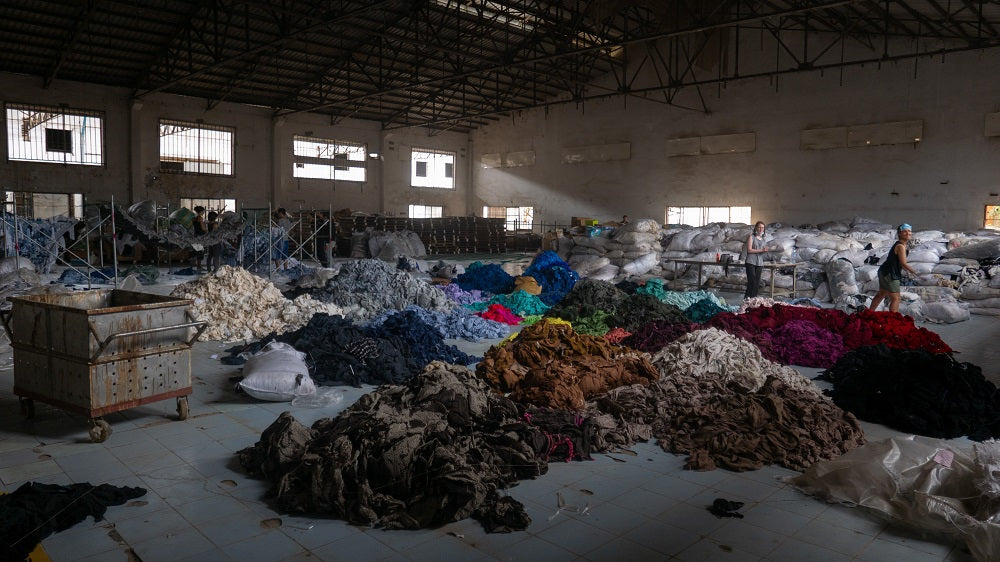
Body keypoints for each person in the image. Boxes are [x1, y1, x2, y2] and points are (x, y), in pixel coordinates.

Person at [870, 223, 918, 312]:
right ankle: (894, 321)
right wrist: (914, 272)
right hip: (890, 274)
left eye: (909, 231)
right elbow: (903, 263)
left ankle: (869, 313)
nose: (908, 233)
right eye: (905, 231)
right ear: (899, 233)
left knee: (881, 294)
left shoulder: (902, 245)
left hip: (884, 271)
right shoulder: (900, 246)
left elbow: (898, 262)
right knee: (896, 298)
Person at [743, 221, 767, 299]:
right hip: (751, 262)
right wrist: (761, 250)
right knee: (752, 282)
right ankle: (746, 301)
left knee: (756, 283)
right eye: (759, 227)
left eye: (762, 228)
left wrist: (765, 250)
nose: (761, 229)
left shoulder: (763, 239)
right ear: (756, 228)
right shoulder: (751, 237)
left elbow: (762, 251)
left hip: (759, 263)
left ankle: (753, 301)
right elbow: (749, 250)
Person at [192, 206, 207, 271]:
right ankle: (199, 267)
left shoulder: (193, 218)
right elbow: (203, 228)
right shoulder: (200, 218)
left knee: (197, 251)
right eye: (203, 211)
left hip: (195, 236)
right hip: (200, 236)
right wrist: (207, 230)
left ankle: (198, 266)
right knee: (200, 252)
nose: (203, 212)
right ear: (200, 211)